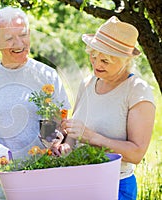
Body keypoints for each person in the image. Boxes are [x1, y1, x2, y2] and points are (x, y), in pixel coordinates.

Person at [0, 6, 70, 200]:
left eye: (23, 35)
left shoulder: (47, 75)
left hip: (47, 179)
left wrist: (51, 141)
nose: (19, 43)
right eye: (9, 39)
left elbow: (60, 122)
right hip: (5, 184)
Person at [57, 16, 155, 200]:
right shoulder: (87, 83)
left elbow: (136, 153)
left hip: (114, 186)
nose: (96, 64)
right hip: (78, 183)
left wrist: (92, 137)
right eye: (93, 57)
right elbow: (74, 135)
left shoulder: (137, 90)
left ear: (125, 60)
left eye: (105, 61)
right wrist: (64, 147)